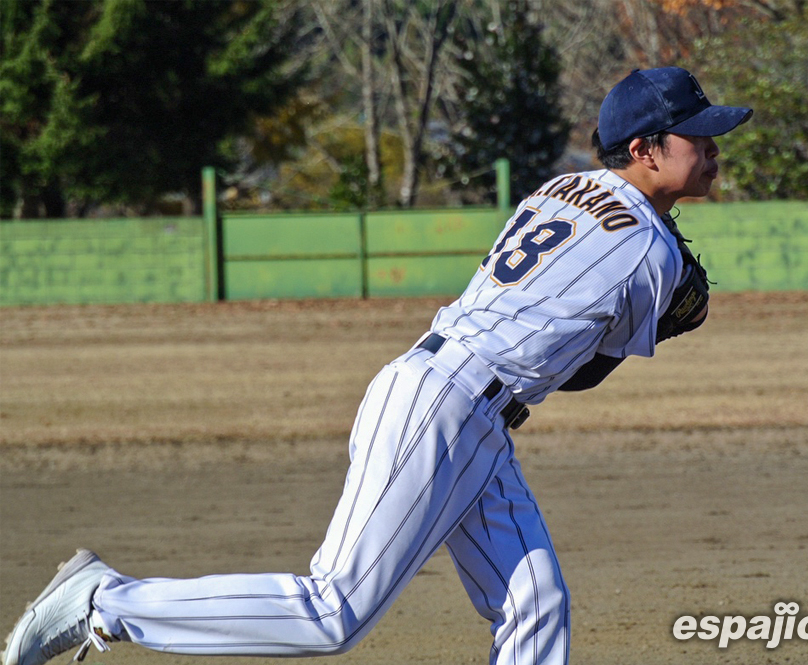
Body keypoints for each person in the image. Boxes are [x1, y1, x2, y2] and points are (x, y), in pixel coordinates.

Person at [3, 66, 752, 665]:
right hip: (447, 409)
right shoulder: (649, 248)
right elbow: (585, 371)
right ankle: (105, 602)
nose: (715, 147)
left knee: (534, 606)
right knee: (330, 612)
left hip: (453, 400)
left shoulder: (560, 188)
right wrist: (668, 317)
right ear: (645, 149)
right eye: (698, 136)